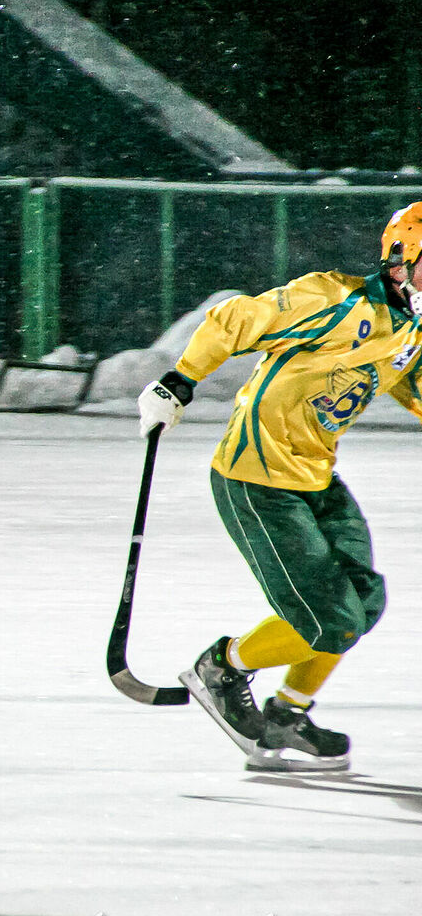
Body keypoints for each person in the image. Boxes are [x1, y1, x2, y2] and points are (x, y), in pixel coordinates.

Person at [138, 202, 422, 772]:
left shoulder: (412, 329)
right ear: (400, 260)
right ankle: (222, 666)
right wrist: (178, 381)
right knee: (330, 621)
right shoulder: (332, 299)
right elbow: (233, 320)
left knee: (362, 601)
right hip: (256, 479)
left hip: (315, 477)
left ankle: (287, 714)